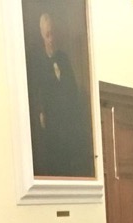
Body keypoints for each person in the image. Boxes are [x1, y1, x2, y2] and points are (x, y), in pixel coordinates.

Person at [26, 12, 93, 177]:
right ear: (42, 35)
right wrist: (42, 112)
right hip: (51, 121)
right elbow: (37, 92)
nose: (51, 38)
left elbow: (72, 90)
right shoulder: (37, 62)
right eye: (48, 34)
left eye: (53, 33)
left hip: (67, 120)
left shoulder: (64, 58)